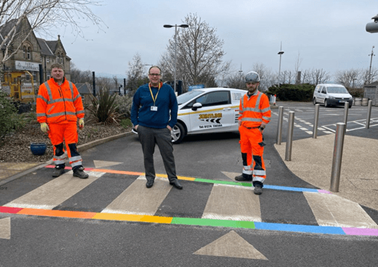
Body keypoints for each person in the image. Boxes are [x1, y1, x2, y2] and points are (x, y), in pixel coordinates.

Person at [131, 66, 182, 190]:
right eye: (152, 74)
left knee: (168, 154)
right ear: (149, 75)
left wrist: (171, 124)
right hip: (145, 128)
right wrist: (136, 124)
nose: (155, 76)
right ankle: (150, 177)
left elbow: (174, 107)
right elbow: (134, 107)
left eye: (157, 74)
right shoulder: (141, 90)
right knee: (147, 155)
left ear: (160, 76)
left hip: (162, 129)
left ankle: (173, 178)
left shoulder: (167, 90)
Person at [36, 63, 88, 179]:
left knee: (72, 146)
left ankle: (77, 168)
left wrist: (81, 117)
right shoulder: (45, 87)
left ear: (63, 72)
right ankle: (59, 167)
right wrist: (42, 121)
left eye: (59, 71)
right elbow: (40, 105)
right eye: (55, 71)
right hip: (54, 123)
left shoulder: (71, 86)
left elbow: (78, 102)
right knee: (57, 146)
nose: (58, 73)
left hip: (70, 122)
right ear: (51, 73)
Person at [235, 71, 271, 195]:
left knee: (257, 157)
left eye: (253, 83)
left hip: (255, 131)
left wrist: (261, 128)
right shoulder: (243, 98)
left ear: (257, 84)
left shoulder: (262, 97)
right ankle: (246, 174)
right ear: (246, 84)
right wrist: (240, 125)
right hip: (244, 131)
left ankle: (258, 182)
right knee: (245, 154)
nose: (250, 85)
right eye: (249, 83)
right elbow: (241, 113)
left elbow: (267, 115)